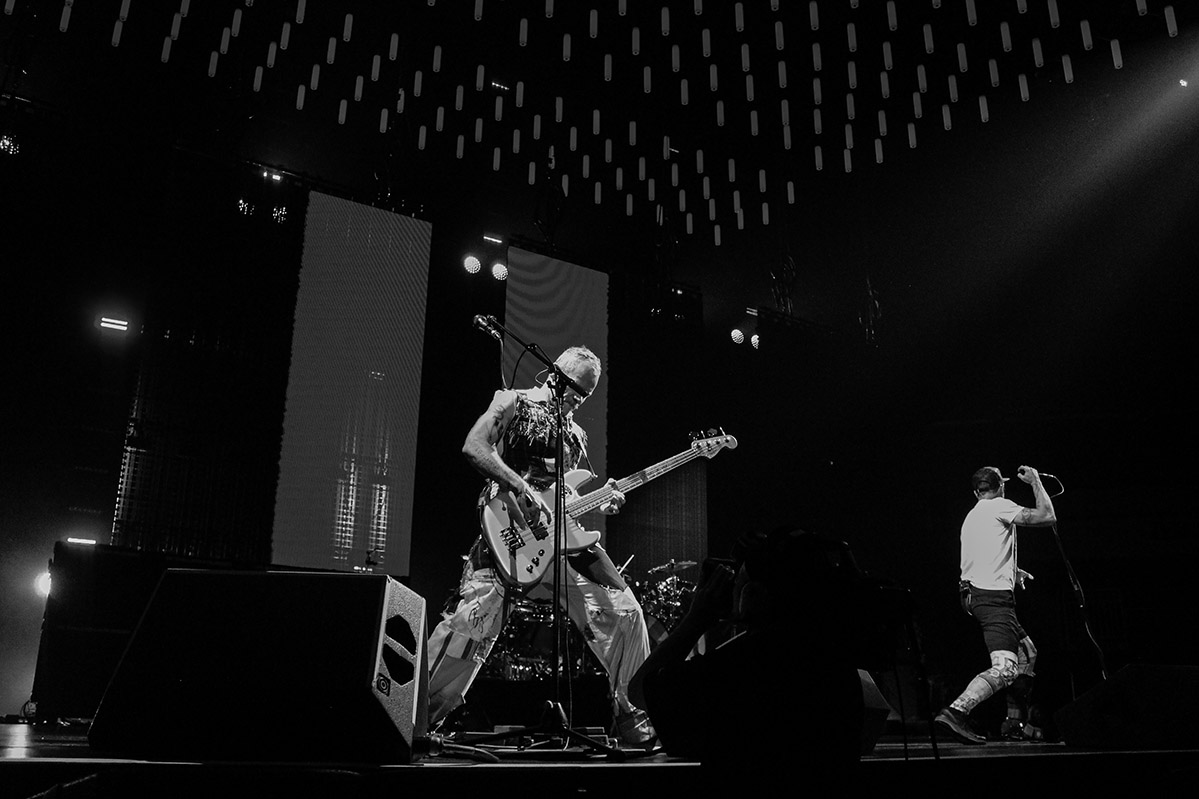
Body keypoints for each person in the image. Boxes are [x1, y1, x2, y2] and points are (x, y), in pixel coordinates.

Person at [425, 345, 656, 746]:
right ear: (553, 376)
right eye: (572, 390)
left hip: (561, 547)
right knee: (467, 632)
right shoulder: (513, 402)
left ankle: (632, 716)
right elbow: (474, 447)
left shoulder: (576, 435)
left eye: (584, 396)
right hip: (509, 536)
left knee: (627, 612)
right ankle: (409, 718)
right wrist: (520, 485)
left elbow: (564, 504)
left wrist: (605, 500)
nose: (575, 401)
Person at [629, 526, 868, 774]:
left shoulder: (738, 668)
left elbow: (640, 691)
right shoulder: (833, 661)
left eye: (739, 582)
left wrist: (696, 619)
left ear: (754, 595)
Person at [935, 465, 1057, 744]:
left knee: (1026, 654)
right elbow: (1046, 516)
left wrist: (1013, 572)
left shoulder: (973, 515)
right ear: (1001, 486)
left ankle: (1013, 723)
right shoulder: (1000, 506)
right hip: (993, 600)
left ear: (976, 491)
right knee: (1005, 668)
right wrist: (1036, 481)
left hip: (974, 595)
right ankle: (956, 712)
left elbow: (983, 554)